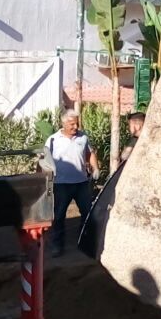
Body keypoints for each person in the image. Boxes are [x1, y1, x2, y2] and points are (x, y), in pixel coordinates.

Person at [44, 109, 100, 257]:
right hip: (61, 184)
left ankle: (84, 241)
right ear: (63, 123)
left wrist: (95, 168)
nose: (75, 126)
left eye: (77, 123)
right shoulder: (52, 140)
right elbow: (44, 160)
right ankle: (57, 245)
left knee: (87, 213)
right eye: (71, 124)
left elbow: (90, 154)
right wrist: (43, 180)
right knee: (59, 215)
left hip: (81, 183)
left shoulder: (83, 138)